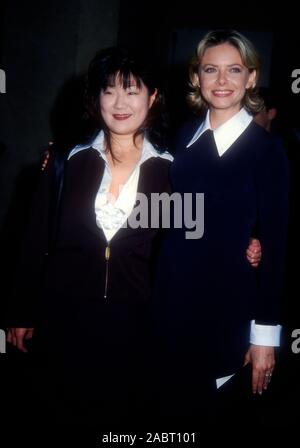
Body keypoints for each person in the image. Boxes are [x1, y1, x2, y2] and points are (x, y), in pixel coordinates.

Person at [6, 45, 261, 429]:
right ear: (96, 99)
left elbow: (198, 246)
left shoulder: (172, 171)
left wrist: (245, 246)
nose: (120, 102)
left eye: (132, 89)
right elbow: (34, 240)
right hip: (65, 329)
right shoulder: (66, 162)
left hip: (141, 335)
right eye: (109, 90)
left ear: (153, 96)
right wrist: (21, 310)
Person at [155, 30, 289, 428]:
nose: (222, 80)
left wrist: (264, 335)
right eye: (211, 69)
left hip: (227, 303)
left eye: (235, 70)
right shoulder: (182, 137)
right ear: (196, 77)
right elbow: (166, 211)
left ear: (251, 78)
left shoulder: (267, 150)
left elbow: (279, 244)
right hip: (168, 299)